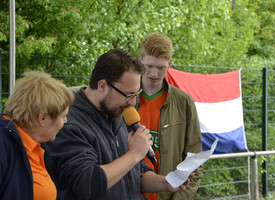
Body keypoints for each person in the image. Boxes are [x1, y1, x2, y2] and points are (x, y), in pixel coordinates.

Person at [43, 48, 193, 200]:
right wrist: (134, 154)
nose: (133, 103)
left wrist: (166, 183)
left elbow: (137, 174)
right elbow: (87, 184)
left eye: (136, 94)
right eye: (128, 95)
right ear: (102, 86)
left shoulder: (119, 114)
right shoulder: (68, 124)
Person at [137, 32, 203, 200]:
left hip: (167, 195)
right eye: (149, 66)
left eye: (161, 68)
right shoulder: (123, 98)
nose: (154, 73)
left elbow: (194, 160)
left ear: (170, 64)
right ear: (139, 60)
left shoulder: (184, 102)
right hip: (128, 192)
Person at [0, 71, 74, 200]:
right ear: (43, 118)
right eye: (63, 116)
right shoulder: (3, 145)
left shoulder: (37, 147)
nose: (65, 121)